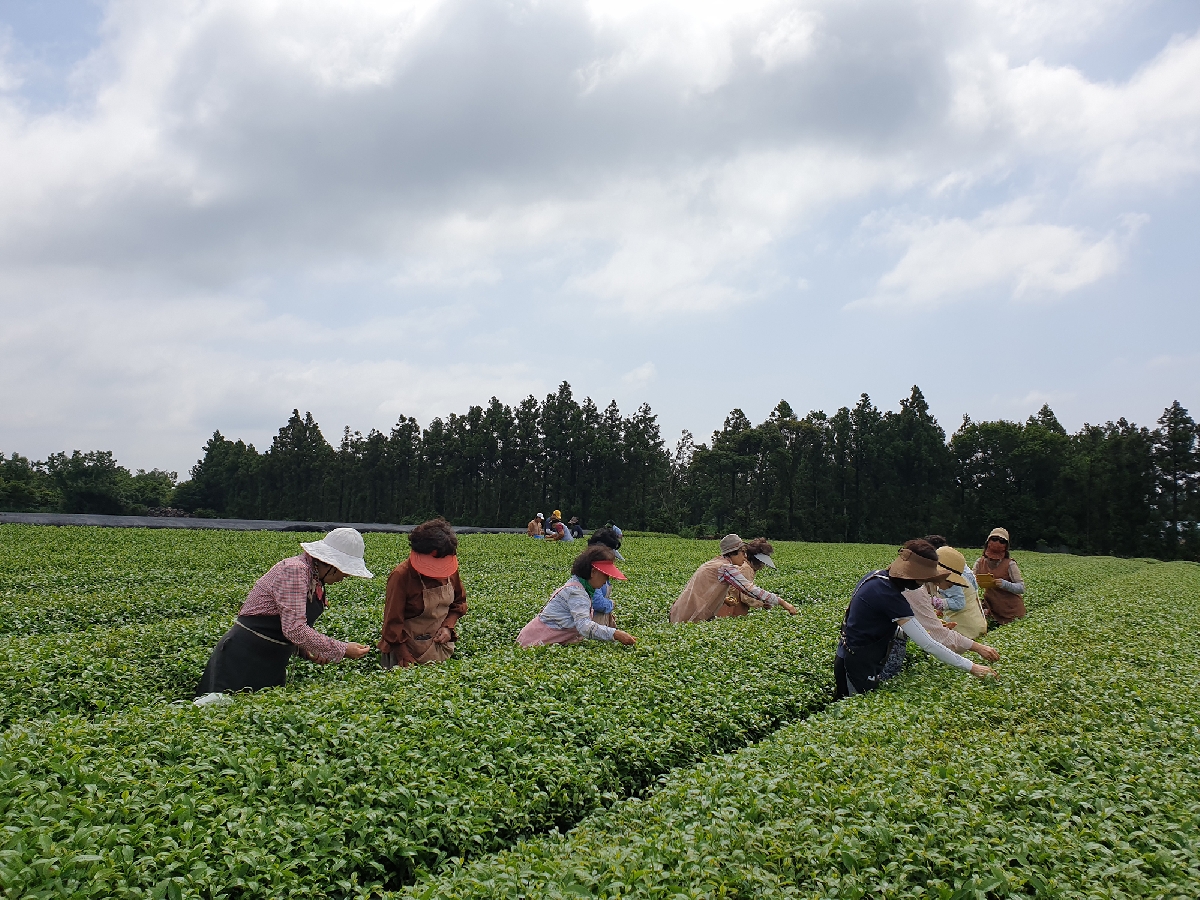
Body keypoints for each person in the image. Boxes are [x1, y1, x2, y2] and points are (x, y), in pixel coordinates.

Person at [195, 528, 373, 697]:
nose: (344, 577)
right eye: (344, 571)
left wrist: (305, 650)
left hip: (271, 659)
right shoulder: (295, 570)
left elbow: (286, 624)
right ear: (330, 564)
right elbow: (294, 629)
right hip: (244, 657)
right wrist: (342, 649)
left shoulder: (314, 578)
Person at [835, 539, 997, 699]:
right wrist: (972, 667)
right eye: (923, 578)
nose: (924, 582)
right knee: (852, 703)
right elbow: (928, 643)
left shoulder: (877, 578)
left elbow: (876, 624)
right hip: (856, 663)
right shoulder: (890, 595)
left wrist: (917, 627)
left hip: (855, 658)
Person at [379, 518, 468, 668]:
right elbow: (392, 624)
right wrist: (405, 658)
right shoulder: (401, 576)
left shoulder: (450, 572)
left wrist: (448, 627)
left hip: (439, 649)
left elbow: (459, 603)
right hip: (406, 652)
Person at [517, 545, 638, 647]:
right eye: (605, 575)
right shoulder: (576, 592)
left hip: (545, 641)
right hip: (533, 644)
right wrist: (616, 634)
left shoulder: (580, 586)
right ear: (593, 572)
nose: (606, 580)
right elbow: (584, 626)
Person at [670, 534, 798, 623]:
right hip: (691, 616)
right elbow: (749, 590)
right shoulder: (726, 568)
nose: (744, 556)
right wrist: (782, 602)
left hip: (680, 612)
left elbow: (705, 589)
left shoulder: (715, 563)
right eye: (742, 552)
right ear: (733, 553)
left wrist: (724, 599)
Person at [975, 527, 1026, 626]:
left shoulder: (1010, 564)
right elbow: (970, 582)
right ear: (988, 542)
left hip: (1011, 612)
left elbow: (1021, 588)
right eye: (994, 539)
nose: (997, 543)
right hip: (992, 609)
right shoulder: (979, 563)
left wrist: (1004, 584)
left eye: (1002, 541)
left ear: (1006, 546)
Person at [934, 545, 988, 640]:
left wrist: (937, 603)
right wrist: (940, 609)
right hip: (969, 624)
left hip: (966, 628)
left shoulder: (954, 582)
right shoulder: (956, 576)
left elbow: (959, 603)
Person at [716, 536, 776, 617]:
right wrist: (762, 604)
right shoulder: (746, 569)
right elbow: (746, 597)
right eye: (763, 563)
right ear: (757, 560)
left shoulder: (745, 566)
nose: (763, 566)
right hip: (732, 610)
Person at [586, 525, 625, 627]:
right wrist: (611, 604)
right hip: (590, 626)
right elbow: (597, 602)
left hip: (599, 625)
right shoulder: (590, 571)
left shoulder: (600, 568)